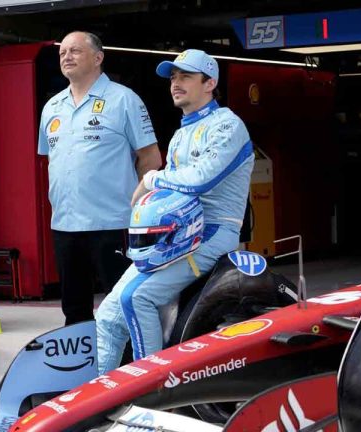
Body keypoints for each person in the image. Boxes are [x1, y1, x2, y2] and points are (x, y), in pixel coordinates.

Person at [95, 49, 255, 374]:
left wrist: (151, 178)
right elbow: (172, 188)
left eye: (185, 76)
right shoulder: (182, 132)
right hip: (174, 234)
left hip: (212, 233)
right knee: (109, 314)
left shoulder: (228, 124)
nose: (175, 83)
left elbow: (199, 180)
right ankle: (100, 398)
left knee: (137, 299)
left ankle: (150, 393)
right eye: (173, 77)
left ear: (209, 82)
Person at [37, 31, 162, 326]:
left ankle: (131, 368)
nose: (66, 57)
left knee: (124, 305)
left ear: (98, 58)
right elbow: (52, 161)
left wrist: (143, 209)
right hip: (65, 224)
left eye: (75, 51)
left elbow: (151, 158)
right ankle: (82, 371)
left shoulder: (124, 100)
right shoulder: (51, 107)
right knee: (74, 311)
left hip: (113, 222)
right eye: (62, 52)